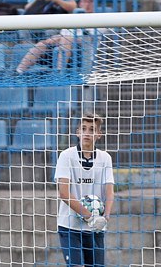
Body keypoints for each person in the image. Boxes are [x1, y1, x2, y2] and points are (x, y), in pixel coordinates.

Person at [54, 113, 115, 267]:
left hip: (95, 227)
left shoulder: (105, 158)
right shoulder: (66, 156)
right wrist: (88, 215)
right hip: (70, 226)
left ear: (99, 135)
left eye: (92, 129)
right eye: (84, 128)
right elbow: (64, 193)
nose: (87, 133)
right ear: (78, 132)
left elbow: (109, 192)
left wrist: (105, 217)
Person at [15, 0, 95, 74]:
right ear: (80, 4)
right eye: (84, 1)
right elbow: (63, 34)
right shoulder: (72, 19)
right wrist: (55, 39)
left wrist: (63, 38)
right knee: (42, 44)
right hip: (62, 53)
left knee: (66, 39)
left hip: (83, 56)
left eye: (90, 1)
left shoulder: (100, 19)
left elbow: (90, 40)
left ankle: (59, 74)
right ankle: (18, 72)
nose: (87, 4)